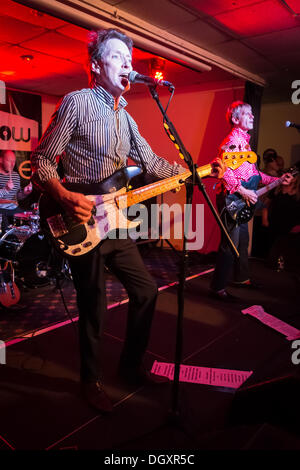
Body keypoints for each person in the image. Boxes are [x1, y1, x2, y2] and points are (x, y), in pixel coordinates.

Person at [31, 28, 225, 413]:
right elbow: (40, 161)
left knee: (146, 291)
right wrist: (66, 195)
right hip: (78, 217)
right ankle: (91, 380)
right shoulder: (77, 102)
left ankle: (130, 365)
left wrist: (200, 172)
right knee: (94, 302)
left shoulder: (128, 118)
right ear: (96, 65)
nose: (127, 65)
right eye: (118, 57)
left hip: (114, 221)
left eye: (129, 59)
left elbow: (152, 166)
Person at [210, 101, 293, 301]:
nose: (253, 116)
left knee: (243, 241)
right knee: (229, 244)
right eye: (248, 113)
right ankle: (217, 288)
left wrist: (279, 180)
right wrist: (243, 191)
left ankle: (242, 278)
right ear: (235, 119)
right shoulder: (231, 142)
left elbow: (256, 175)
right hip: (232, 199)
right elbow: (224, 173)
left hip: (241, 200)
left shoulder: (245, 144)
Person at [0, 150, 32, 233]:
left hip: (13, 208)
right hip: (1, 210)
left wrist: (25, 193)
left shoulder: (15, 175)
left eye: (14, 161)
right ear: (1, 160)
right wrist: (5, 190)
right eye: (9, 161)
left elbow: (18, 197)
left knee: (32, 216)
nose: (12, 164)